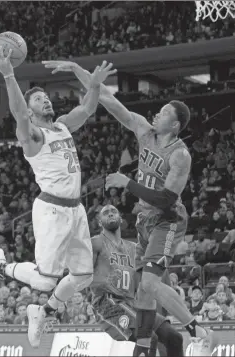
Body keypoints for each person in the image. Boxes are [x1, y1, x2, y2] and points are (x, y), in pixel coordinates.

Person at [42, 59, 214, 356]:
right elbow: (108, 100)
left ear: (174, 125)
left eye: (163, 114)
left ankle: (199, 331)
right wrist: (78, 70)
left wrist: (127, 183)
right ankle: (144, 349)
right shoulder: (144, 132)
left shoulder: (179, 155)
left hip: (167, 219)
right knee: (144, 293)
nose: (155, 114)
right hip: (145, 220)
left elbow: (166, 200)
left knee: (150, 282)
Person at [0, 47, 116, 348]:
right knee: (45, 280)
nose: (45, 99)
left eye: (46, 96)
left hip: (75, 210)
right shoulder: (32, 135)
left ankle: (42, 310)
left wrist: (92, 82)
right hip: (51, 210)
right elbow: (17, 111)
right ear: (30, 109)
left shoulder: (63, 125)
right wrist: (9, 75)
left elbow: (88, 108)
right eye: (38, 99)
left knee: (83, 277)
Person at [91, 204, 184, 357]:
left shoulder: (134, 248)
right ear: (100, 222)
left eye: (113, 211)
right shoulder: (95, 243)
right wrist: (105, 280)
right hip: (107, 304)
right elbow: (82, 275)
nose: (110, 213)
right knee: (148, 338)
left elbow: (157, 269)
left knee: (174, 337)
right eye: (105, 213)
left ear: (121, 219)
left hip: (133, 304)